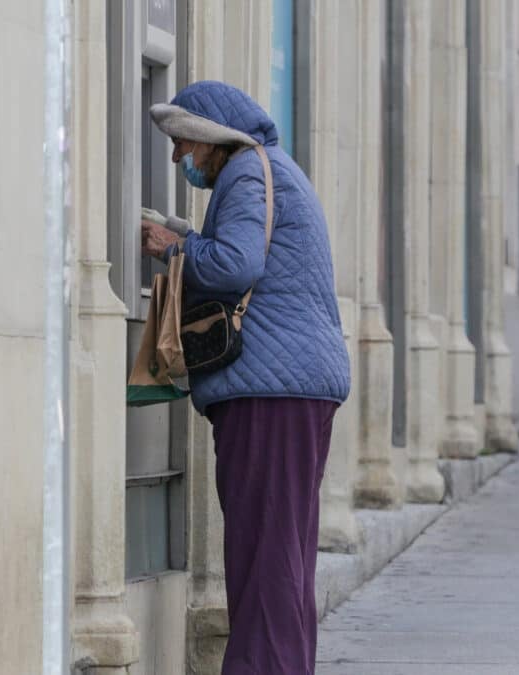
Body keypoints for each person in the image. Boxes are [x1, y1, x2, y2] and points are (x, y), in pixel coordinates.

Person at [140, 80, 351, 675]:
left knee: (264, 558)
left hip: (271, 389)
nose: (180, 157)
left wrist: (168, 247)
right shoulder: (269, 171)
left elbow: (235, 265)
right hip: (289, 386)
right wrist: (187, 235)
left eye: (183, 143)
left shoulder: (248, 174)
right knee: (279, 557)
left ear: (211, 139)